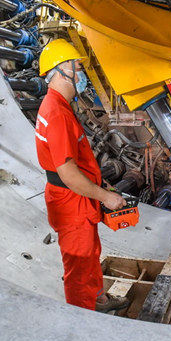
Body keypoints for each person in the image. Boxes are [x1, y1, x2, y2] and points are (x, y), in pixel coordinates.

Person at [35, 39, 126, 310]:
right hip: (71, 200)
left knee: (90, 253)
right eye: (78, 67)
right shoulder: (57, 114)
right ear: (62, 70)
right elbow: (68, 174)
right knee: (78, 262)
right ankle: (82, 318)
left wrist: (100, 183)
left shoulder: (59, 106)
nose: (82, 74)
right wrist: (106, 197)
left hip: (75, 199)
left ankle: (98, 300)